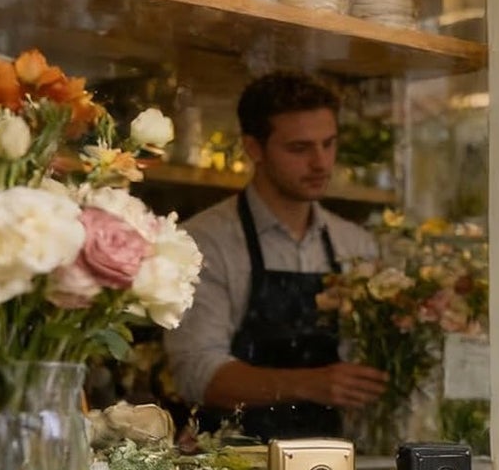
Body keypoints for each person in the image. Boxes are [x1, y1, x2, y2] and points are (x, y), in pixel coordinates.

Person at [165, 71, 387, 440]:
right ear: (254, 148)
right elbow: (197, 373)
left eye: (329, 144)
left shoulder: (356, 245)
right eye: (299, 148)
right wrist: (311, 384)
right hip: (234, 460)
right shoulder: (203, 242)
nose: (321, 163)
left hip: (336, 456)